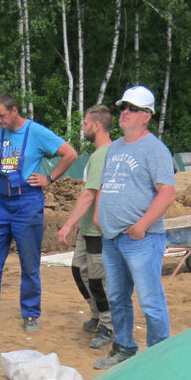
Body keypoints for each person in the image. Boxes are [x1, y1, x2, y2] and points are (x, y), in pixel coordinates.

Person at [0, 94, 77, 333]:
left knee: (29, 262)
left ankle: (30, 314)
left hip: (27, 203)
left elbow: (69, 153)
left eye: (2, 116)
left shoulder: (37, 132)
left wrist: (49, 178)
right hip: (0, 203)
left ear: (14, 111)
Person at [92, 85, 176, 369]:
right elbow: (105, 183)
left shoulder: (155, 150)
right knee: (117, 297)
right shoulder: (114, 148)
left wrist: (141, 226)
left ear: (147, 116)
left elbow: (167, 192)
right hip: (112, 238)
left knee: (150, 300)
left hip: (141, 239)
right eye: (123, 108)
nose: (125, 113)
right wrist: (98, 215)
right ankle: (124, 348)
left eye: (132, 108)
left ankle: (159, 356)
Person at [57, 105, 114, 349]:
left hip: (98, 229)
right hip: (87, 227)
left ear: (97, 126)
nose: (83, 128)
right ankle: (97, 314)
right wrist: (80, 223)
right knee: (79, 269)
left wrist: (68, 224)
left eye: (85, 124)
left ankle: (109, 326)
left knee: (98, 280)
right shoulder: (96, 155)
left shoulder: (104, 155)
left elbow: (90, 194)